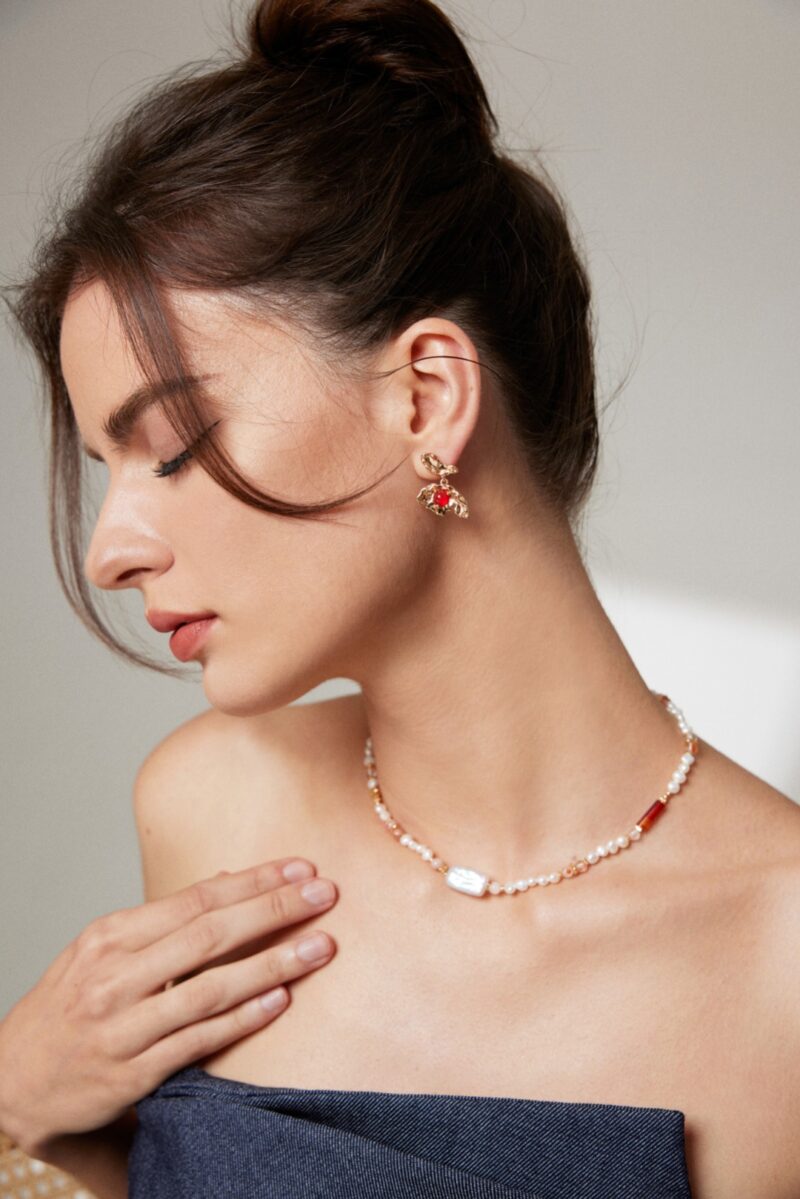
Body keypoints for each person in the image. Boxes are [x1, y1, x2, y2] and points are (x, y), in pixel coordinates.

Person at [1, 0, 798, 1195]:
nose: (112, 549)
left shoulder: (777, 962)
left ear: (424, 395)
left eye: (167, 446)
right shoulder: (211, 807)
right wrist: (24, 1106)